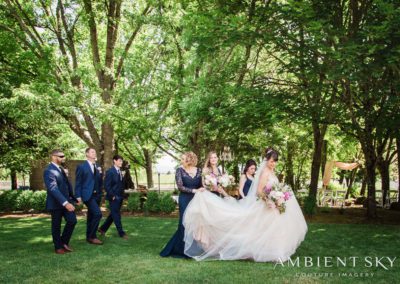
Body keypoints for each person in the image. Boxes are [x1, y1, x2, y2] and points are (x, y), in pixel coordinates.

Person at [183, 147, 307, 262]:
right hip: (267, 204)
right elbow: (259, 191)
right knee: (261, 230)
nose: (273, 164)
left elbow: (271, 188)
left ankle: (276, 251)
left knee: (275, 230)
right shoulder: (264, 172)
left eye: (275, 161)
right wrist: (270, 199)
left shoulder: (272, 172)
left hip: (273, 204)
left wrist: (278, 196)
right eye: (271, 161)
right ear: (267, 160)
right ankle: (267, 251)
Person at [160, 152, 204, 258]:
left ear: (190, 160)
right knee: (184, 223)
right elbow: (180, 187)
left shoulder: (199, 171)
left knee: (196, 224)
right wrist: (194, 190)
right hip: (185, 198)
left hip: (197, 200)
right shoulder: (179, 170)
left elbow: (201, 185)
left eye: (183, 159)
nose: (182, 161)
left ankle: (193, 249)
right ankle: (181, 250)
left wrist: (204, 187)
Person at [43, 149, 77, 254]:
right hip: (56, 203)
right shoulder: (49, 170)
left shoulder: (61, 169)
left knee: (72, 220)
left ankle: (64, 242)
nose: (63, 158)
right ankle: (58, 247)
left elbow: (66, 185)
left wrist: (73, 199)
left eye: (64, 156)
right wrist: (65, 203)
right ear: (53, 157)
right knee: (56, 226)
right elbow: (53, 188)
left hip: (66, 201)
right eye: (61, 156)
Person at [75, 148, 103, 245]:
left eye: (95, 152)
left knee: (91, 217)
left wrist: (100, 193)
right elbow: (78, 182)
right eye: (92, 152)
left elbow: (99, 181)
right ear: (87, 154)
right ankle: (93, 236)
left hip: (97, 195)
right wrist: (78, 195)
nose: (94, 153)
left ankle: (88, 237)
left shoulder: (98, 166)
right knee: (98, 214)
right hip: (87, 195)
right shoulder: (82, 167)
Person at [98, 155, 128, 239]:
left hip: (120, 197)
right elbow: (106, 185)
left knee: (113, 215)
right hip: (114, 197)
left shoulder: (121, 171)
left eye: (122, 161)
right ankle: (121, 232)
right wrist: (112, 195)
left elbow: (121, 185)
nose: (121, 162)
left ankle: (102, 229)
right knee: (117, 215)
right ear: (114, 161)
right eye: (119, 161)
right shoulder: (110, 171)